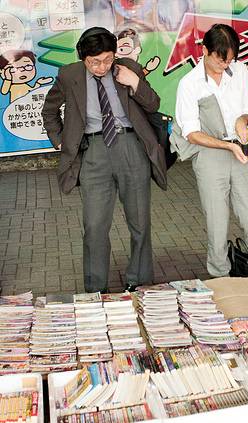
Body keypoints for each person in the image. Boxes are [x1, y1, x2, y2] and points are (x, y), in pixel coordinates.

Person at [42, 27, 168, 293]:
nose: (102, 67)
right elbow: (49, 111)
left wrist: (134, 82)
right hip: (94, 152)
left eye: (108, 59)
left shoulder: (128, 68)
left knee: (140, 222)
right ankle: (95, 287)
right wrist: (60, 141)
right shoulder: (70, 75)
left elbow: (153, 104)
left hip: (130, 147)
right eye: (95, 62)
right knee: (94, 225)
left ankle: (139, 280)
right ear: (83, 58)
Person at [171, 23, 248, 277]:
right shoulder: (190, 84)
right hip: (210, 154)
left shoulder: (240, 70)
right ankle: (220, 275)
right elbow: (191, 133)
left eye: (230, 60)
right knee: (217, 223)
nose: (225, 65)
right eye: (220, 59)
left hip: (241, 151)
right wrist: (227, 145)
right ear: (205, 50)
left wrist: (243, 121)